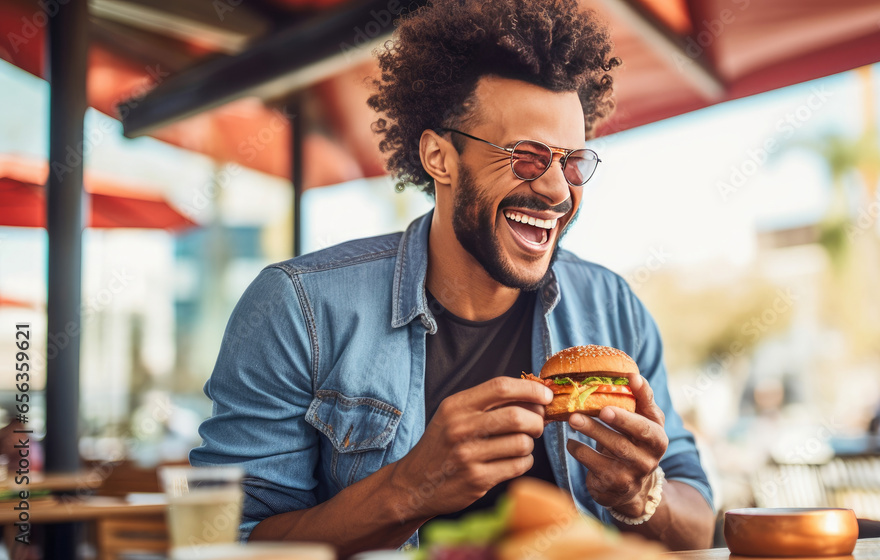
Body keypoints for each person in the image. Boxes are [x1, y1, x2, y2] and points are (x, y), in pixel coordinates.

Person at [190, 0, 714, 554]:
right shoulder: (298, 309)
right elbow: (222, 540)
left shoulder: (613, 308)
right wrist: (410, 488)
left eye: (574, 162)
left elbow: (700, 524)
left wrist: (639, 497)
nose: (560, 190)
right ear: (440, 158)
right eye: (528, 156)